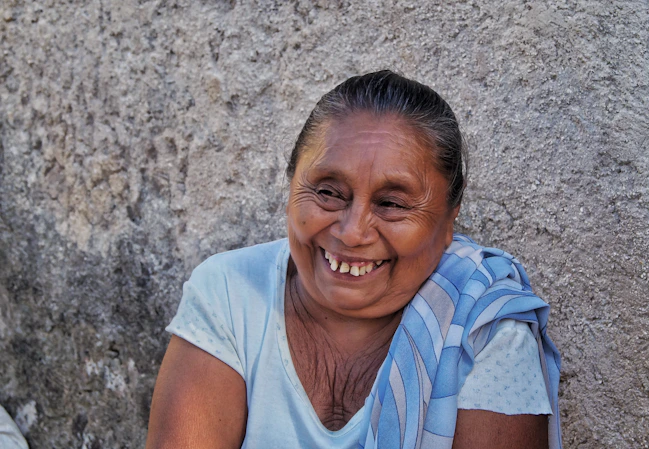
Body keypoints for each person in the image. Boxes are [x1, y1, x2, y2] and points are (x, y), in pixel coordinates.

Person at [146, 71, 561, 449]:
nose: (351, 232)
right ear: (291, 184)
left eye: (392, 203)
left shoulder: (484, 333)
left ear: (450, 216)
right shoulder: (230, 294)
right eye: (328, 193)